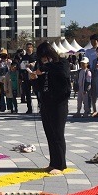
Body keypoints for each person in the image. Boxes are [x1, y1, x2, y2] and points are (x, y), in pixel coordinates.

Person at [33, 42, 71, 174]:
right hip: (46, 102)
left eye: (45, 56)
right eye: (41, 58)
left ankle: (60, 165)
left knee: (58, 134)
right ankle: (53, 162)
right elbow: (38, 86)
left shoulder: (62, 63)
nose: (43, 60)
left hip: (59, 104)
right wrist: (34, 78)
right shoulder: (41, 66)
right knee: (49, 134)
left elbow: (63, 72)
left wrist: (46, 67)